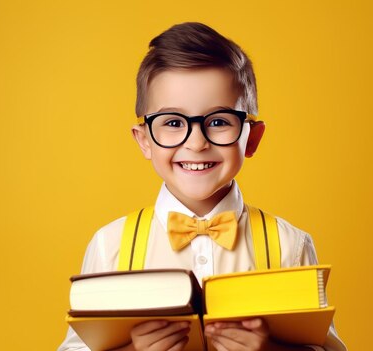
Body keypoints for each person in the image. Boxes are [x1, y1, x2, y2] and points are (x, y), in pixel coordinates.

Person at [58, 22, 347, 351]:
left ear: (252, 137)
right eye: (172, 122)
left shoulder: (289, 245)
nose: (196, 143)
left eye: (219, 121)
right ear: (144, 140)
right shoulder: (110, 246)